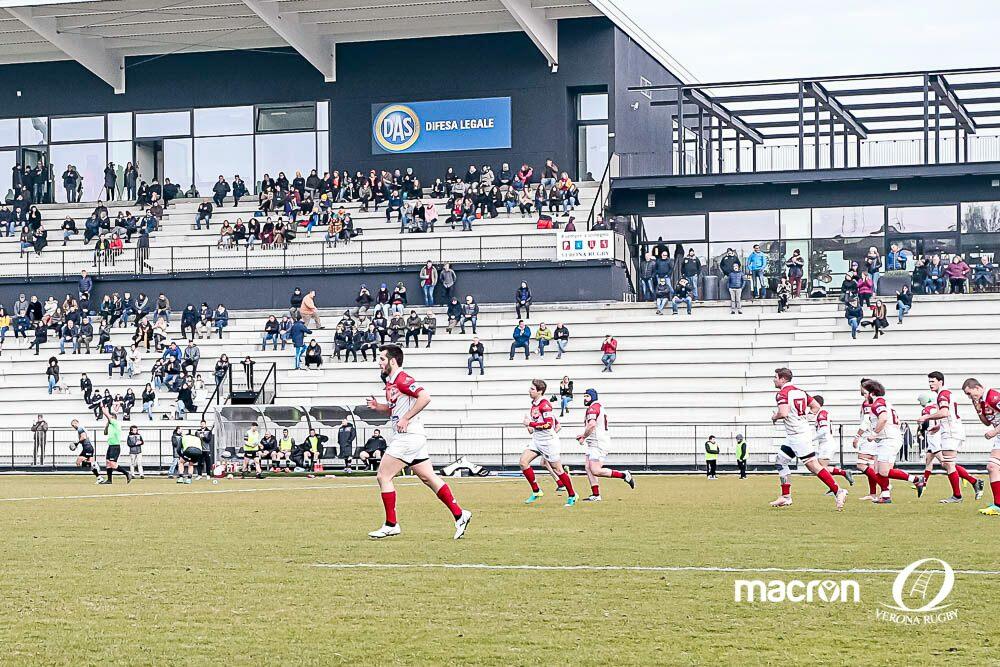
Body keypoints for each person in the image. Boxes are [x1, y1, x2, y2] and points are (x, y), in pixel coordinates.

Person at [364, 344, 473, 539]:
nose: (378, 363)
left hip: (408, 437)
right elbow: (393, 409)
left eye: (381, 359)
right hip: (413, 437)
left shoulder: (403, 379)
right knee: (428, 478)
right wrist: (378, 406)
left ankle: (391, 524)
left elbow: (425, 397)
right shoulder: (391, 382)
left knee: (383, 476)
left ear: (392, 360)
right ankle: (460, 514)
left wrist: (406, 418)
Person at [767, 367, 847, 510]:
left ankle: (838, 491)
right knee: (781, 461)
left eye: (776, 377)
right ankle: (786, 497)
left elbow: (783, 413)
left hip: (799, 436)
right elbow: (816, 406)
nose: (774, 379)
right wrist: (805, 415)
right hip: (795, 435)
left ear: (783, 379)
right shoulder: (801, 392)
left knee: (814, 467)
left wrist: (774, 417)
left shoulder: (782, 394)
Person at [917, 371, 984, 503]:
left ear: (940, 381)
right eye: (929, 382)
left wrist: (927, 416)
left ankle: (958, 494)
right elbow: (948, 415)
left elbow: (944, 412)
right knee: (947, 463)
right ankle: (973, 482)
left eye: (933, 381)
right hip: (951, 430)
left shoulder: (943, 394)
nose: (930, 384)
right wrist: (939, 426)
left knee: (947, 463)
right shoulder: (945, 394)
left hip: (951, 432)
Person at [861, 379, 926, 503]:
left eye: (865, 393)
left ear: (872, 393)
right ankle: (885, 496)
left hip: (888, 440)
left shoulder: (877, 403)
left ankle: (916, 479)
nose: (865, 396)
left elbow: (883, 418)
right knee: (877, 470)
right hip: (887, 439)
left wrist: (874, 434)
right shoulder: (885, 402)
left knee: (884, 471)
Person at [518, 379, 577, 506]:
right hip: (537, 440)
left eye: (532, 389)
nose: (529, 391)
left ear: (540, 391)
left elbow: (549, 424)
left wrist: (531, 424)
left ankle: (572, 495)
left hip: (548, 441)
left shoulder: (545, 405)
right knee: (523, 462)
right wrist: (530, 427)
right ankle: (536, 491)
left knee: (558, 469)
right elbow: (536, 423)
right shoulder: (534, 403)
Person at [576, 389, 634, 501]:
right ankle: (596, 495)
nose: (585, 398)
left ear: (593, 397)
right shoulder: (597, 407)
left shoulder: (593, 408)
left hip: (598, 443)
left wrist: (583, 436)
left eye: (587, 396)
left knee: (595, 470)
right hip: (595, 443)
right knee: (588, 467)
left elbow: (592, 424)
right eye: (584, 396)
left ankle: (624, 475)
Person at [960, 378, 1000, 515]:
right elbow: (987, 423)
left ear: (978, 388)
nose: (970, 397)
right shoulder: (981, 401)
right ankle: (998, 504)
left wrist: (994, 432)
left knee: (993, 466)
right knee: (992, 467)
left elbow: (992, 427)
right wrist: (977, 410)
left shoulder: (993, 396)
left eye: (970, 394)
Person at [812, 396, 853, 488]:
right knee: (820, 468)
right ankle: (840, 477)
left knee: (819, 468)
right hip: (825, 444)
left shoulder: (822, 413)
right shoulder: (821, 413)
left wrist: (811, 439)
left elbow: (824, 430)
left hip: (826, 444)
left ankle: (835, 487)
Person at [99, 406, 132, 485]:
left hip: (115, 446)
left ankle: (127, 473)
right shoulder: (110, 425)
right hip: (110, 446)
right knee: (108, 462)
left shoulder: (116, 423)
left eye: (111, 417)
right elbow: (105, 433)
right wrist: (107, 424)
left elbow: (107, 415)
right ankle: (109, 480)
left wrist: (104, 409)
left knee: (113, 464)